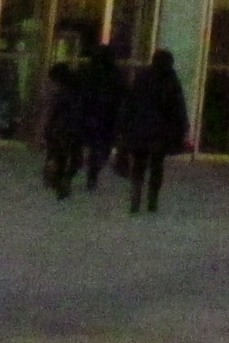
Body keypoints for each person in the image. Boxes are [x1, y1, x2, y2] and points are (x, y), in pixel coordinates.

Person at [118, 50, 191, 215]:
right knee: (157, 166)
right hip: (161, 131)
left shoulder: (142, 78)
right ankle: (152, 199)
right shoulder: (171, 80)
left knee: (139, 164)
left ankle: (136, 197)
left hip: (141, 128)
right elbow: (177, 107)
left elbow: (130, 103)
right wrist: (181, 128)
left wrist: (125, 125)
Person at [75, 41, 125, 191]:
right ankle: (93, 171)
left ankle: (91, 170)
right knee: (102, 147)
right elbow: (123, 93)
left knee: (94, 145)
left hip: (94, 114)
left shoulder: (87, 72)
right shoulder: (114, 74)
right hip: (106, 116)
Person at [40, 60, 86, 199]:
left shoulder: (62, 93)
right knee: (75, 158)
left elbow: (55, 112)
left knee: (59, 156)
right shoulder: (78, 90)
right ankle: (64, 180)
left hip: (62, 128)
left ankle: (57, 179)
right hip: (76, 128)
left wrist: (48, 129)